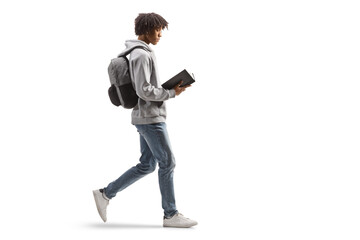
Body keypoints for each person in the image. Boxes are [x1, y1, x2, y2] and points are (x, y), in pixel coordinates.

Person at [93, 13, 197, 228]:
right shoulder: (141, 54)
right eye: (158, 29)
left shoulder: (139, 52)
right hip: (150, 118)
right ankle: (171, 214)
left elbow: (145, 88)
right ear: (147, 28)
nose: (160, 34)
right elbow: (144, 90)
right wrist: (171, 93)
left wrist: (168, 89)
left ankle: (105, 193)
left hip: (146, 117)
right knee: (168, 162)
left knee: (147, 165)